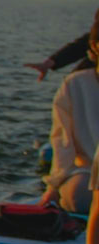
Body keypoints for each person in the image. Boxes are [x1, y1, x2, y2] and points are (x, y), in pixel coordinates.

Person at [45, 25, 99, 212]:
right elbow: (62, 141)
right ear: (95, 46)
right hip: (88, 172)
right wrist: (53, 187)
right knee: (79, 195)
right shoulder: (75, 85)